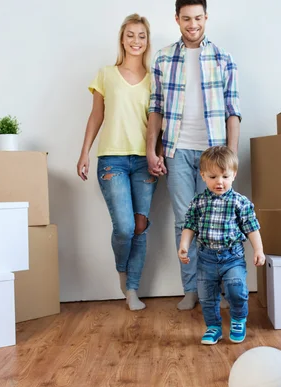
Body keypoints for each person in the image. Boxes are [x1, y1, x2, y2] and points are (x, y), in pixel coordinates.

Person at [146, 0, 242, 311]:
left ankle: (217, 291)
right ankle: (191, 289)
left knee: (218, 222)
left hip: (214, 152)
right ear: (177, 19)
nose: (193, 24)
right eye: (186, 18)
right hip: (176, 150)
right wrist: (152, 149)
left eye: (198, 18)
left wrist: (231, 156)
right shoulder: (162, 58)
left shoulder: (223, 58)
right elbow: (156, 109)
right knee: (183, 221)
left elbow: (233, 111)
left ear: (206, 17)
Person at [77, 13, 156, 311]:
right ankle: (122, 270)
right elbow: (96, 115)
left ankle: (132, 288)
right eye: (131, 35)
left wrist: (157, 154)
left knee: (139, 225)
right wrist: (84, 152)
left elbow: (155, 122)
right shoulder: (105, 74)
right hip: (112, 159)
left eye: (142, 36)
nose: (136, 41)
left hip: (144, 161)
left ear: (147, 41)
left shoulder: (153, 79)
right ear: (122, 39)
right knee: (123, 227)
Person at [178, 146, 265, 344]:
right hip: (206, 258)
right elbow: (189, 226)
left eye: (225, 176)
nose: (219, 182)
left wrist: (258, 250)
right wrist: (184, 245)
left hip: (232, 257)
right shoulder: (198, 202)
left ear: (233, 175)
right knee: (207, 297)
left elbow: (251, 227)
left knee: (236, 289)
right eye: (213, 176)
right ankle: (213, 327)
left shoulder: (240, 202)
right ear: (203, 176)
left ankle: (238, 319)